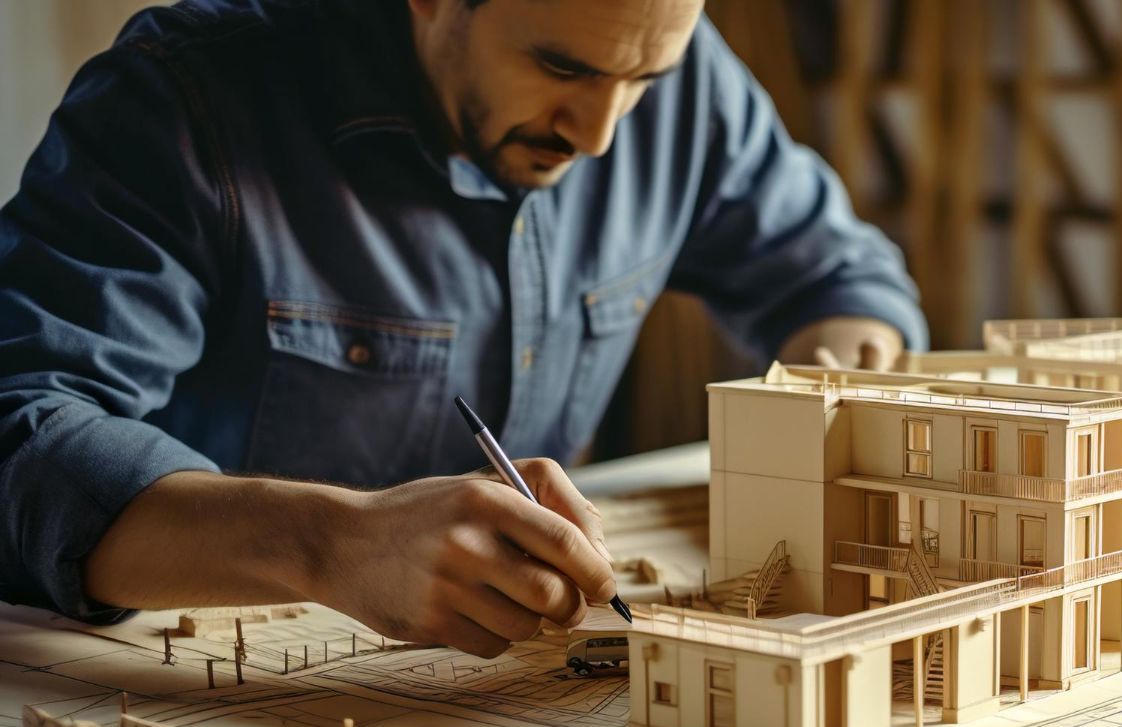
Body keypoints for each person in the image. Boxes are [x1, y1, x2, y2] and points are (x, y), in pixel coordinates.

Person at [0, 0, 927, 656]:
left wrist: (835, 383)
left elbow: (842, 277)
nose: (602, 132)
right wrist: (334, 544)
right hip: (197, 676)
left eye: (642, 79)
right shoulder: (186, 99)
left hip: (505, 691)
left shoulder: (676, 78)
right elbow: (22, 433)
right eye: (562, 67)